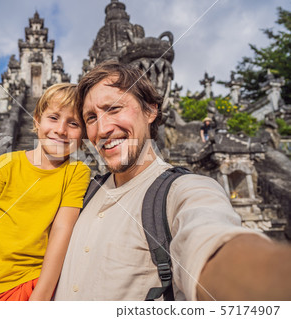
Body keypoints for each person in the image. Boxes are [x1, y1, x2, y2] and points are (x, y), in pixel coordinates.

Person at [54, 61, 291, 301]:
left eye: (114, 109)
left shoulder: (183, 190)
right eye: (91, 118)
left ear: (150, 110)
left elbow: (211, 243)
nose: (102, 129)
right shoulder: (83, 192)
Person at [0, 83, 90, 301]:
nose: (61, 129)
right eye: (53, 118)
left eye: (73, 123)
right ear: (36, 120)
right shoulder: (6, 163)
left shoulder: (77, 172)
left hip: (40, 283)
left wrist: (40, 297)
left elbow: (62, 230)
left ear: (84, 135)